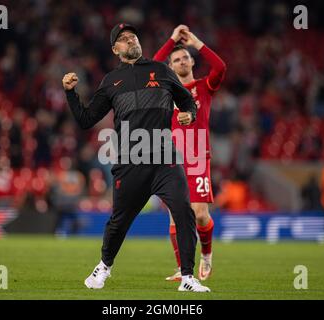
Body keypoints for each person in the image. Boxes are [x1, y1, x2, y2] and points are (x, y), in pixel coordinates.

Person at [62, 23, 210, 292]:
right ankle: (103, 267)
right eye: (123, 38)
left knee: (184, 213)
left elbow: (187, 100)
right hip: (132, 161)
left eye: (132, 35)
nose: (130, 39)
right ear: (115, 49)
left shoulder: (162, 70)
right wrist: (70, 93)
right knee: (119, 221)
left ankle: (188, 278)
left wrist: (190, 113)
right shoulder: (110, 82)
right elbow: (85, 120)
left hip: (166, 158)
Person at [153, 25, 226, 281]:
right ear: (171, 67)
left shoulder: (204, 87)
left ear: (192, 61)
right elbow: (151, 66)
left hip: (197, 159)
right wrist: (172, 38)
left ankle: (206, 255)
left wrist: (196, 41)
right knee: (175, 215)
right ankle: (183, 268)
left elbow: (220, 68)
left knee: (200, 214)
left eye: (185, 57)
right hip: (172, 160)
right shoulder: (165, 90)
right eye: (176, 59)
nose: (182, 61)